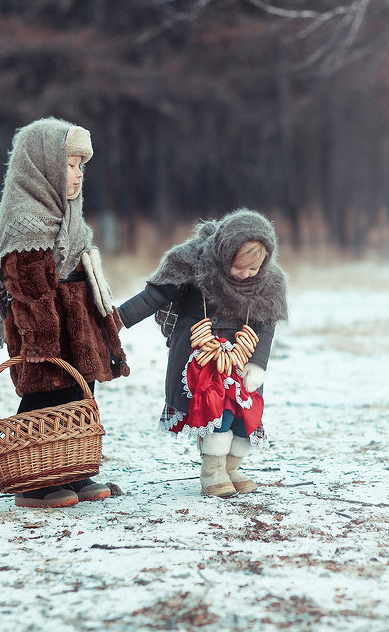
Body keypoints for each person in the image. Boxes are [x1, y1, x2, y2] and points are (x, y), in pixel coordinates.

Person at [0, 117, 129, 508]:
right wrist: (42, 336)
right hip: (44, 333)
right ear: (41, 167)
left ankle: (72, 469)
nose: (78, 175)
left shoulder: (70, 218)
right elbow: (27, 286)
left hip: (78, 328)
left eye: (82, 166)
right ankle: (32, 479)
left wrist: (100, 323)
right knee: (45, 396)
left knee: (79, 397)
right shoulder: (27, 221)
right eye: (69, 165)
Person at [117, 209, 288, 498]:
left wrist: (258, 364)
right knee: (215, 411)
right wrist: (118, 318)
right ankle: (212, 471)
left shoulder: (268, 283)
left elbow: (266, 327)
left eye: (253, 269)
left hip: (242, 361)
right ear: (225, 254)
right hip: (200, 358)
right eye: (239, 267)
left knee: (245, 415)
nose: (246, 275)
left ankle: (231, 468)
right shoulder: (194, 264)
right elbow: (155, 296)